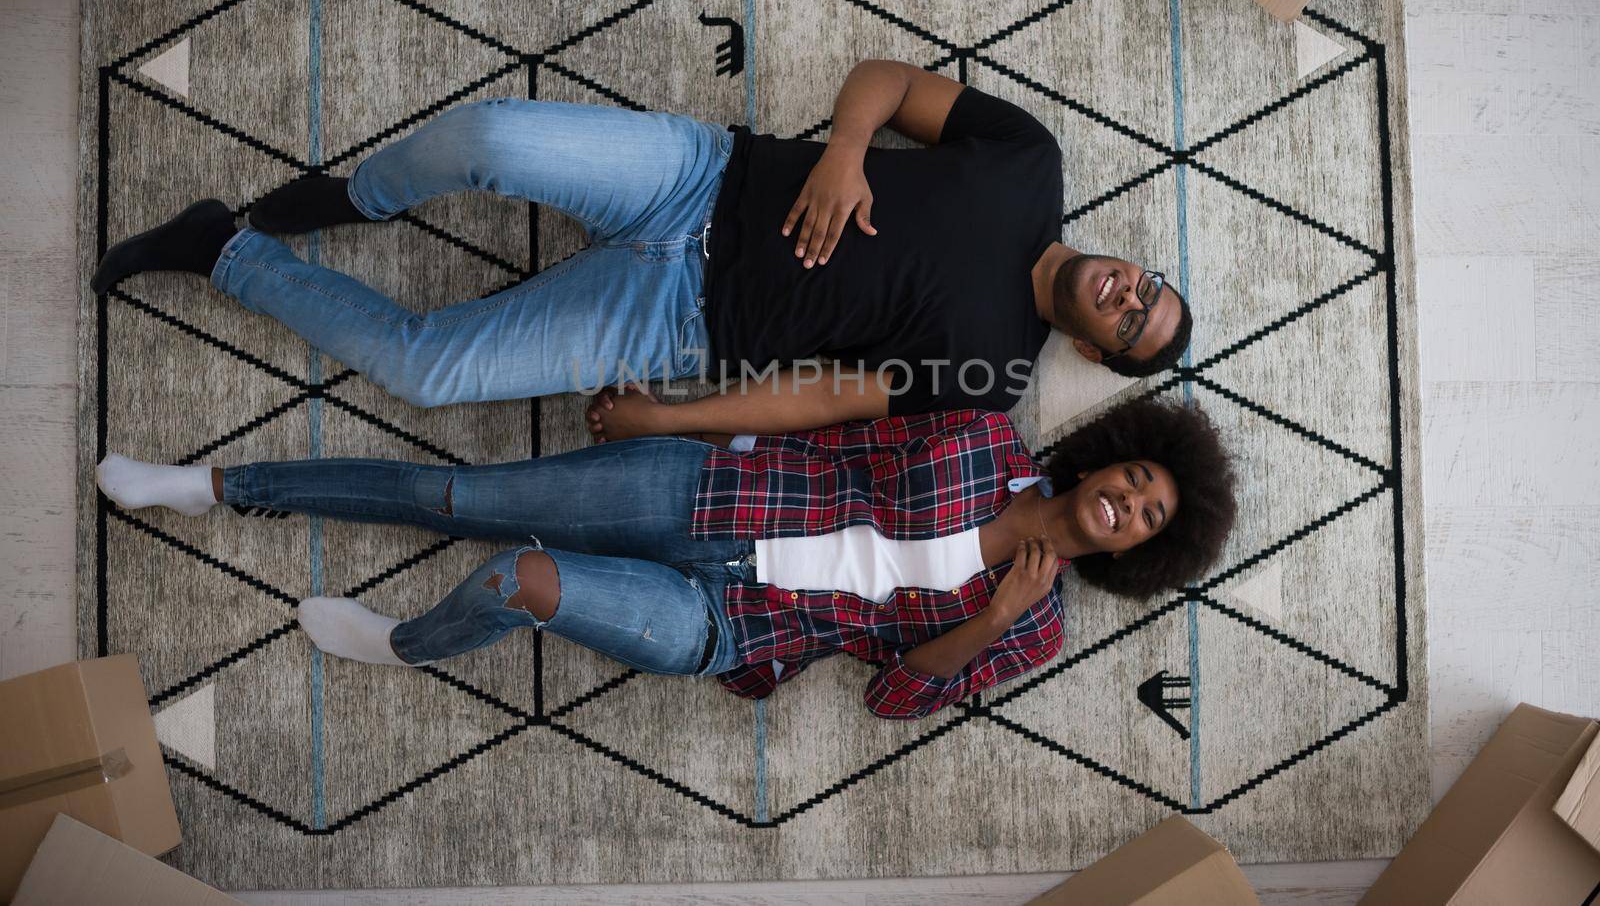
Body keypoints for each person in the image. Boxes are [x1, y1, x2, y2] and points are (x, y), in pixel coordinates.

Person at [91, 60, 1192, 433]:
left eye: (1132, 320)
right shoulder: (1030, 165)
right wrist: (847, 150)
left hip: (678, 322)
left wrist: (674, 412)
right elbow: (891, 83)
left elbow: (819, 400)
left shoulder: (993, 374)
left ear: (1098, 353)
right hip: (702, 174)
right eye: (1150, 283)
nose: (1128, 291)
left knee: (425, 373)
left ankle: (223, 251)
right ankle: (364, 198)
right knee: (489, 135)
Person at [95, 398, 1235, 719]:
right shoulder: (987, 439)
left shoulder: (1035, 633)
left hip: (732, 625)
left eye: (1146, 518)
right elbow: (833, 428)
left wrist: (987, 624)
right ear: (1108, 460)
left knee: (518, 584)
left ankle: (405, 646)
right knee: (462, 498)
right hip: (709, 489)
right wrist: (672, 425)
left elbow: (890, 696)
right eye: (1135, 480)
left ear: (1140, 551)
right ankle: (210, 487)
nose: (1127, 504)